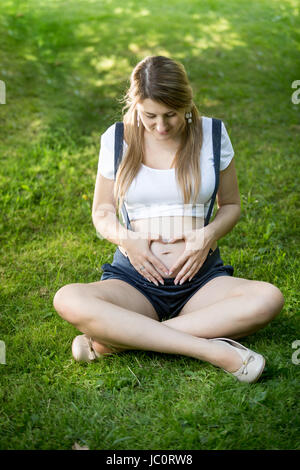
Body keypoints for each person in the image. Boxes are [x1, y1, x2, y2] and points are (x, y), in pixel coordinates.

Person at [53, 56, 284, 383]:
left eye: (171, 115)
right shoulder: (117, 138)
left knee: (268, 298)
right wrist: (127, 239)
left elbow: (231, 205)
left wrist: (209, 234)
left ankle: (117, 340)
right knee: (68, 298)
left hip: (201, 279)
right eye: (150, 116)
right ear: (136, 105)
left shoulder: (213, 134)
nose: (161, 127)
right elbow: (102, 211)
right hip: (134, 279)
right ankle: (214, 351)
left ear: (186, 103)